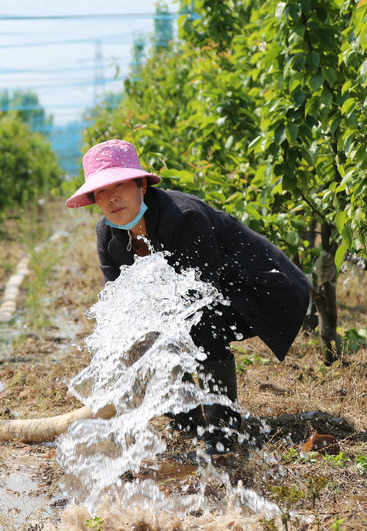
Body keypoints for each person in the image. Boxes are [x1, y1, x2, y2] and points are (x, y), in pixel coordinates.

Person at [66, 139, 310, 453]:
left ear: (141, 184)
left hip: (265, 288)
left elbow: (199, 295)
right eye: (101, 191)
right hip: (214, 293)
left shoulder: (183, 217)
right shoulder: (108, 234)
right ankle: (188, 417)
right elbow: (118, 303)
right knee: (141, 337)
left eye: (121, 185)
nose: (112, 197)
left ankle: (223, 430)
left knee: (198, 323)